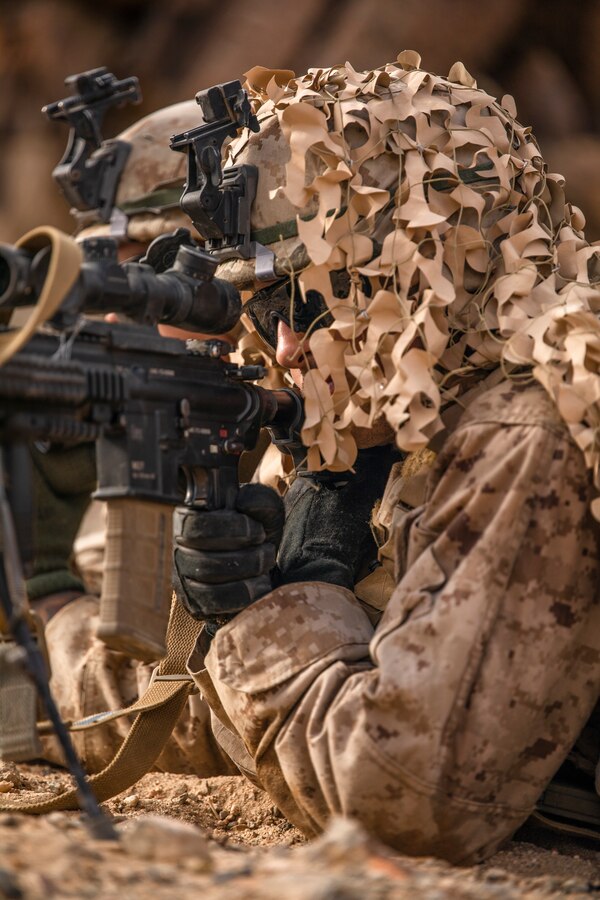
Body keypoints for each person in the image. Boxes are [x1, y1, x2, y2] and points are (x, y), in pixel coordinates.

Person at [168, 53, 600, 863]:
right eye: (265, 306)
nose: (283, 347)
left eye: (311, 298)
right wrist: (197, 609)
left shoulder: (534, 429)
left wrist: (262, 622)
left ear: (420, 269)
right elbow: (201, 735)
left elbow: (406, 799)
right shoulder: (365, 428)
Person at [31, 98, 241, 775]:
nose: (114, 318)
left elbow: (214, 713)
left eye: (145, 285)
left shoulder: (313, 435)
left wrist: (49, 605)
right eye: (96, 289)